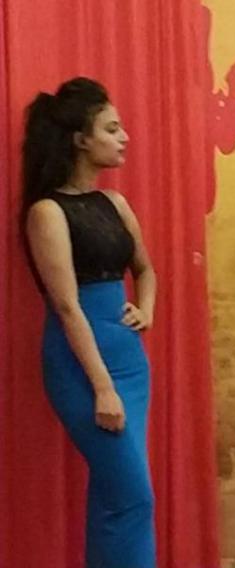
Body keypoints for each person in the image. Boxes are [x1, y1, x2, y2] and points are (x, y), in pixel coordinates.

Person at [21, 77, 157, 567]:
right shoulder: (47, 212)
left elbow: (146, 269)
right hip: (82, 365)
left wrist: (146, 308)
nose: (124, 138)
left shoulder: (115, 203)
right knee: (134, 497)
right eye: (112, 129)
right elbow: (66, 306)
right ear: (80, 139)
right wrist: (102, 388)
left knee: (113, 495)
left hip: (129, 360)